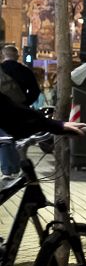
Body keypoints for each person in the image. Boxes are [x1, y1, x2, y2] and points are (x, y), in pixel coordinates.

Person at [0, 43, 40, 175]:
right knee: (19, 139)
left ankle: (7, 170)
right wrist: (25, 103)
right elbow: (35, 91)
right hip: (20, 110)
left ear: (3, 55)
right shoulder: (25, 71)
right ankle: (18, 167)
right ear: (17, 56)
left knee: (4, 140)